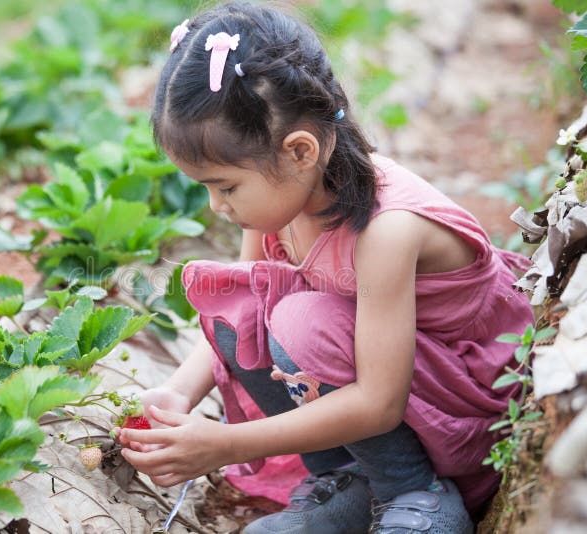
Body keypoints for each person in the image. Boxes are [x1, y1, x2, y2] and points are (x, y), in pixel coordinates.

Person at [115, 3, 534, 533]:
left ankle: (414, 493)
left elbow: (381, 404)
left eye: (224, 186)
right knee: (245, 304)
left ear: (299, 151)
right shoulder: (278, 200)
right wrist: (179, 392)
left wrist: (223, 445)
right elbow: (246, 316)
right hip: (388, 400)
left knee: (299, 324)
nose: (217, 206)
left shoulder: (386, 231)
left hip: (463, 405)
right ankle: (347, 479)